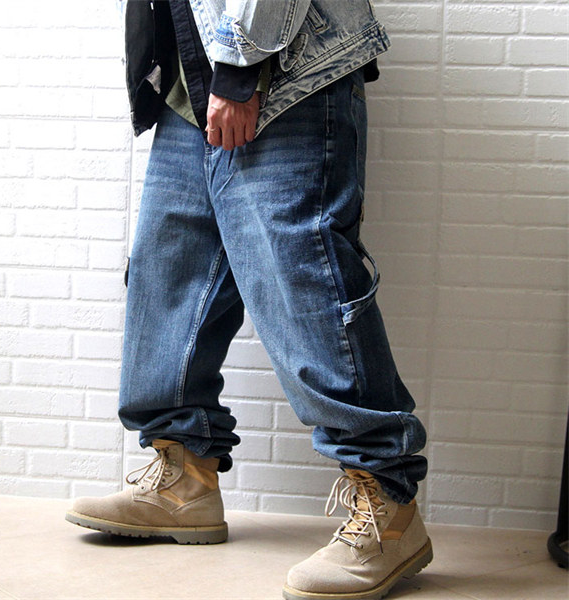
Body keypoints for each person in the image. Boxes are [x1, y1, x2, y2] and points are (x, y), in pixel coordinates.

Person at [66, 1, 432, 598]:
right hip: (195, 77)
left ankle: (388, 506)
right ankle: (184, 480)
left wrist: (240, 70)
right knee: (170, 277)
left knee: (304, 286)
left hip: (280, 73)